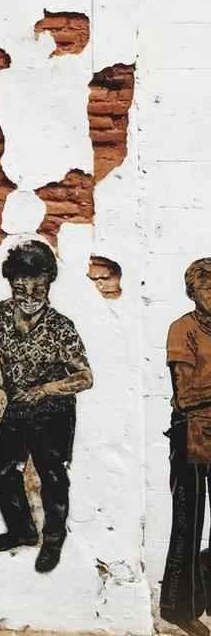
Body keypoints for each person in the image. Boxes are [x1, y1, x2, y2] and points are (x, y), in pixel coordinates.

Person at [0, 239, 93, 573]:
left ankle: (53, 540)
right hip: (17, 406)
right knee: (1, 468)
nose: (28, 297)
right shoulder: (3, 312)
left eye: (37, 289)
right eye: (20, 288)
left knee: (52, 477)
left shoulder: (60, 326)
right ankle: (22, 530)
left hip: (53, 412)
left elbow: (84, 377)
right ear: (12, 284)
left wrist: (43, 390)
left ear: (48, 283)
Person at [161, 258, 211, 636]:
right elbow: (185, 395)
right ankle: (180, 609)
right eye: (205, 289)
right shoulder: (183, 329)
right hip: (191, 436)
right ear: (193, 293)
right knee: (188, 527)